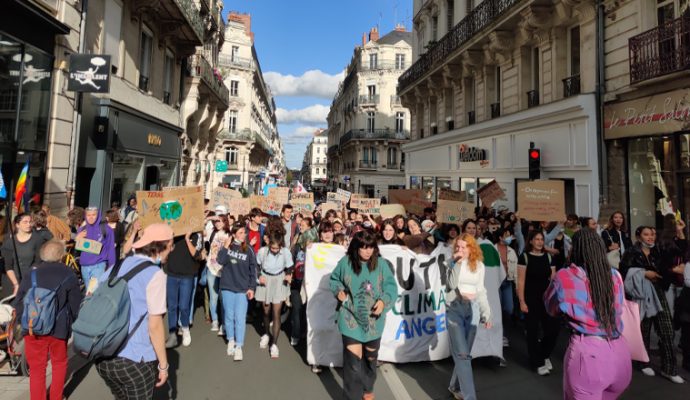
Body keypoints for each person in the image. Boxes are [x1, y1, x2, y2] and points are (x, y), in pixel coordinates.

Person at [544, 229, 632, 399]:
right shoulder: (616, 275)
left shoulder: (565, 276)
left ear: (574, 249)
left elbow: (551, 307)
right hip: (620, 352)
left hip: (589, 355)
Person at [95, 223, 172, 399]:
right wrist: (163, 365)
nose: (172, 248)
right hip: (135, 357)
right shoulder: (155, 274)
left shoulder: (116, 266)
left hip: (103, 356)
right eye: (171, 244)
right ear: (161, 246)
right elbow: (155, 326)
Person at [330, 230, 397, 400]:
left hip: (374, 321)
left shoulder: (381, 264)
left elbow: (391, 286)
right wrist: (338, 290)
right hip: (350, 318)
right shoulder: (345, 263)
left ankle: (367, 389)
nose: (368, 251)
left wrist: (383, 301)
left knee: (370, 359)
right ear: (356, 247)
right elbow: (334, 279)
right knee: (353, 364)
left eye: (371, 247)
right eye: (364, 247)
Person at [13, 240, 82, 400]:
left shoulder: (31, 274)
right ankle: (56, 397)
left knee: (37, 369)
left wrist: (24, 323)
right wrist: (71, 324)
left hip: (32, 328)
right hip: (58, 329)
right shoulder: (68, 273)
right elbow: (75, 305)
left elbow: (18, 302)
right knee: (59, 364)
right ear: (62, 255)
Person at [620, 225, 684, 383]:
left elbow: (680, 250)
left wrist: (680, 231)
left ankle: (669, 369)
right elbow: (623, 272)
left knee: (667, 330)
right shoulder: (631, 252)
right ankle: (643, 362)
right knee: (644, 330)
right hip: (640, 294)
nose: (650, 237)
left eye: (653, 234)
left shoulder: (659, 250)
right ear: (638, 236)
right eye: (646, 234)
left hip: (658, 291)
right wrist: (643, 273)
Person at [444, 233, 492, 400]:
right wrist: (455, 263)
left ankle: (454, 385)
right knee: (463, 355)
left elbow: (481, 291)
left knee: (464, 353)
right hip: (455, 309)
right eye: (457, 246)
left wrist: (486, 313)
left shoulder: (479, 265)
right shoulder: (450, 263)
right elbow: (451, 285)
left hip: (473, 310)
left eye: (464, 247)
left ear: (471, 248)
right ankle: (470, 397)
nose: (460, 249)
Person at [517, 230, 560, 375]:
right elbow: (521, 281)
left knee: (553, 330)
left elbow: (554, 279)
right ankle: (537, 362)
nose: (540, 242)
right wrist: (522, 301)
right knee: (533, 331)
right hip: (530, 299)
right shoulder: (524, 257)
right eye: (537, 239)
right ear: (531, 241)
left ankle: (544, 354)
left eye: (542, 239)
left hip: (547, 300)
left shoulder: (549, 257)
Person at [217, 223, 257, 361]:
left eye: (244, 233)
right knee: (229, 316)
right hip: (228, 287)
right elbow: (220, 260)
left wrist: (252, 287)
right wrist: (226, 246)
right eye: (240, 233)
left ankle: (239, 346)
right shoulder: (228, 247)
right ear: (234, 234)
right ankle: (231, 340)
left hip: (242, 289)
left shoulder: (249, 250)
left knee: (240, 318)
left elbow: (253, 270)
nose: (243, 235)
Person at [256, 234, 293, 358]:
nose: (275, 251)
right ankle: (266, 334)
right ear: (269, 245)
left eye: (277, 249)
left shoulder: (286, 252)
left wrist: (288, 274)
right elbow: (256, 265)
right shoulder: (262, 251)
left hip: (279, 280)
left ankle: (274, 344)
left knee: (276, 313)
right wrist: (259, 276)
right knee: (266, 311)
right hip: (265, 279)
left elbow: (289, 266)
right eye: (273, 248)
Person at [164, 231, 202, 348]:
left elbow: (197, 255)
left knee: (184, 306)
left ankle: (185, 329)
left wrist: (187, 239)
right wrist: (169, 243)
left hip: (187, 275)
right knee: (172, 306)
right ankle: (172, 334)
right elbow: (163, 258)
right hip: (172, 274)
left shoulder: (195, 235)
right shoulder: (170, 234)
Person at [1, 214, 50, 297]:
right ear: (17, 225)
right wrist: (16, 284)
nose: (29, 224)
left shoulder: (38, 239)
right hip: (11, 281)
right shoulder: (9, 242)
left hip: (29, 279)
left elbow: (38, 262)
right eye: (25, 222)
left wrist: (28, 279)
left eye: (30, 222)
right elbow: (8, 266)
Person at [77, 207, 116, 289]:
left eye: (93, 215)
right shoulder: (82, 229)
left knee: (93, 293)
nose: (91, 217)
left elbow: (111, 249)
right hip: (84, 266)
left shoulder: (106, 229)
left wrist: (111, 267)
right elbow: (79, 249)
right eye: (88, 215)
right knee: (89, 292)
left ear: (98, 215)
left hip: (98, 266)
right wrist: (78, 238)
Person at [206, 215, 230, 334]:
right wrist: (211, 217)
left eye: (219, 221)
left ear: (225, 221)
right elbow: (201, 224)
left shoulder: (229, 235)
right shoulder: (211, 232)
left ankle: (224, 324)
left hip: (224, 271)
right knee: (213, 296)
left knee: (223, 298)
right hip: (212, 269)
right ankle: (215, 320)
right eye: (215, 222)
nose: (217, 223)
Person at [494, 227, 518, 347]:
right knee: (496, 309)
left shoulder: (511, 251)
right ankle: (498, 335)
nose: (510, 237)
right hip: (495, 283)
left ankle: (504, 333)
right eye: (507, 235)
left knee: (509, 309)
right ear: (500, 237)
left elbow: (516, 271)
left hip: (507, 282)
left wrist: (518, 286)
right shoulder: (492, 249)